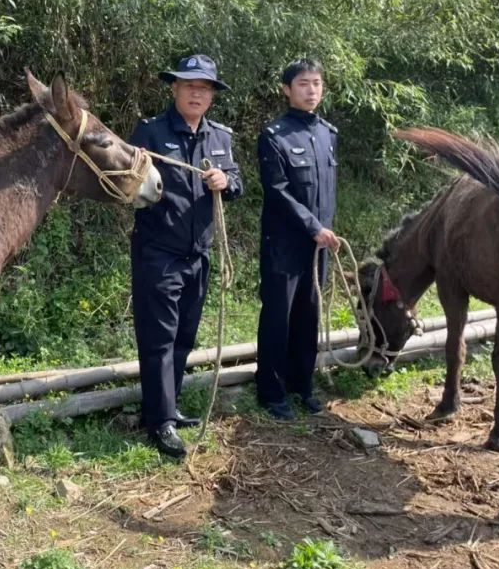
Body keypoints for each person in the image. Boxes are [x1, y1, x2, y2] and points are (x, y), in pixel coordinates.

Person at [129, 53, 243, 458]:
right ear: (174, 88)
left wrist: (225, 181)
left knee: (184, 338)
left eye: (205, 87)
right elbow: (128, 185)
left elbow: (238, 185)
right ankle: (159, 423)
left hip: (200, 254)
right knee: (159, 338)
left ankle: (167, 408)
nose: (197, 93)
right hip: (159, 253)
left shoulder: (220, 137)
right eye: (189, 85)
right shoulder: (151, 133)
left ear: (212, 95)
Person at [256, 58, 340, 420]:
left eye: (317, 83)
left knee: (309, 313)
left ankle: (302, 385)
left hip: (317, 244)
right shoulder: (274, 136)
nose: (311, 91)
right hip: (285, 242)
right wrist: (312, 226)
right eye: (304, 84)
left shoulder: (328, 133)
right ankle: (272, 393)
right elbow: (278, 191)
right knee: (279, 316)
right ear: (287, 89)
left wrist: (325, 229)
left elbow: (328, 191)